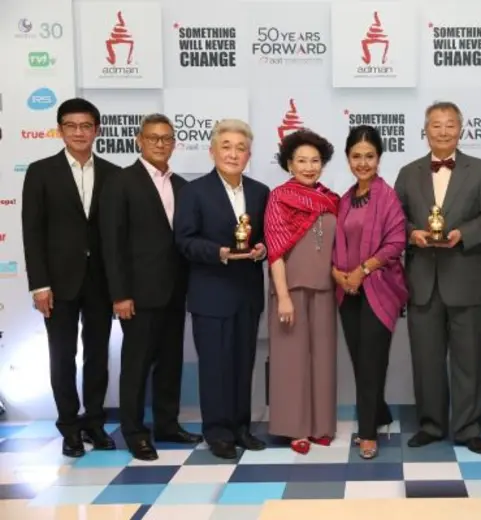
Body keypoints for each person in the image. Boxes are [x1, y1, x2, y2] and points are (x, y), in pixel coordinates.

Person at [394, 101, 481, 455]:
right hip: (422, 282)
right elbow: (395, 219)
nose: (443, 131)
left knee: (469, 361)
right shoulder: (408, 173)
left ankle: (469, 428)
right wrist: (411, 234)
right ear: (425, 130)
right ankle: (431, 425)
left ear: (461, 129)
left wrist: (463, 234)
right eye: (436, 125)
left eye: (450, 124)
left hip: (466, 280)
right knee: (426, 362)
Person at [100, 114, 202, 461]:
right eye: (153, 137)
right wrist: (120, 294)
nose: (160, 144)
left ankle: (167, 425)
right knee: (136, 366)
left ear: (174, 143)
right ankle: (134, 432)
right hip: (137, 295)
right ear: (139, 141)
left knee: (170, 363)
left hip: (175, 290)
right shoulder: (120, 182)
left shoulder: (183, 186)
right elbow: (112, 243)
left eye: (166, 138)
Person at [21, 98, 119, 457]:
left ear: (97, 130)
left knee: (97, 355)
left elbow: (116, 234)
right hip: (58, 283)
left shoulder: (113, 173)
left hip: (100, 281)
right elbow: (32, 232)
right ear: (60, 130)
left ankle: (94, 422)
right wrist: (39, 284)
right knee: (62, 356)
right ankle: (69, 427)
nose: (79, 132)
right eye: (71, 126)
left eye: (86, 126)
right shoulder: (40, 172)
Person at [174, 119, 269, 460]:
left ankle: (241, 428)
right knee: (215, 367)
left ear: (249, 155)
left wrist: (262, 249)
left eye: (240, 148)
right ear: (212, 151)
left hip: (248, 294)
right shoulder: (193, 191)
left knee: (243, 365)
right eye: (226, 146)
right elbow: (184, 240)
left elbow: (265, 236)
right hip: (211, 294)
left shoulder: (260, 192)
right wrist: (219, 252)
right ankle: (217, 432)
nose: (233, 154)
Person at [332, 125, 408, 459]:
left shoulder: (387, 196)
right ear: (348, 158)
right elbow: (335, 244)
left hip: (379, 289)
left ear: (379, 158)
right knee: (360, 360)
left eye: (369, 156)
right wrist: (337, 274)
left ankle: (367, 433)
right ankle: (379, 412)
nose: (363, 163)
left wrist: (362, 271)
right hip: (347, 291)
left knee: (371, 361)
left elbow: (396, 242)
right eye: (356, 156)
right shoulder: (344, 199)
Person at [265, 129, 340, 455]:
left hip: (325, 289)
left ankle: (321, 426)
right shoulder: (279, 197)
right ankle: (295, 429)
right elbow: (275, 251)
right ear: (289, 164)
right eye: (302, 161)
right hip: (290, 290)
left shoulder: (332, 199)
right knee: (291, 361)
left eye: (315, 161)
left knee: (323, 360)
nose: (309, 167)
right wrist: (282, 296)